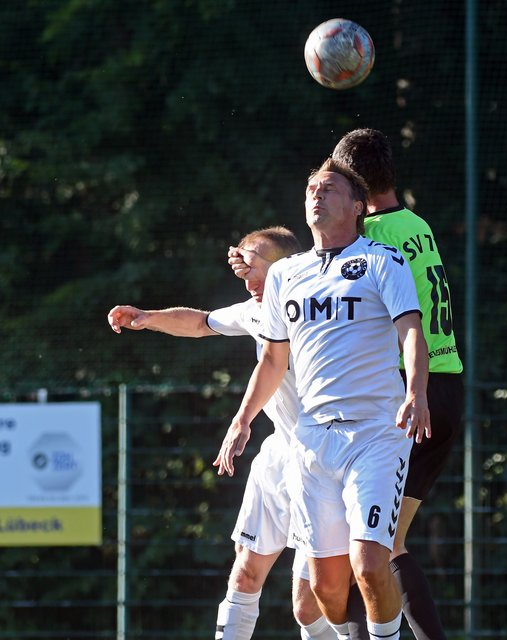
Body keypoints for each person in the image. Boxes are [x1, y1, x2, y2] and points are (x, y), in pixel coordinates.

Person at [214, 158, 430, 640]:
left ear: (357, 206)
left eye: (330, 188)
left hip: (376, 433)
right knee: (325, 590)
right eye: (312, 187)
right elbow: (273, 360)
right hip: (311, 441)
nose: (317, 193)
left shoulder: (383, 260)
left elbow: (412, 331)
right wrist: (242, 419)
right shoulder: (287, 275)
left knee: (369, 562)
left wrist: (416, 391)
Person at [107, 226, 340, 640]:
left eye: (254, 269)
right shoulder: (256, 309)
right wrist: (148, 318)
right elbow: (201, 323)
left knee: (308, 608)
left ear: (288, 266)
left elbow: (274, 364)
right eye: (242, 271)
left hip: (323, 460)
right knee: (244, 574)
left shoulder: (317, 308)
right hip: (279, 455)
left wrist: (241, 420)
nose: (248, 282)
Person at [331, 128, 464, 640]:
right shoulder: (416, 224)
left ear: (354, 188)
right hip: (447, 388)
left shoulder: (371, 238)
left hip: (410, 394)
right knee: (389, 544)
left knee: (365, 547)